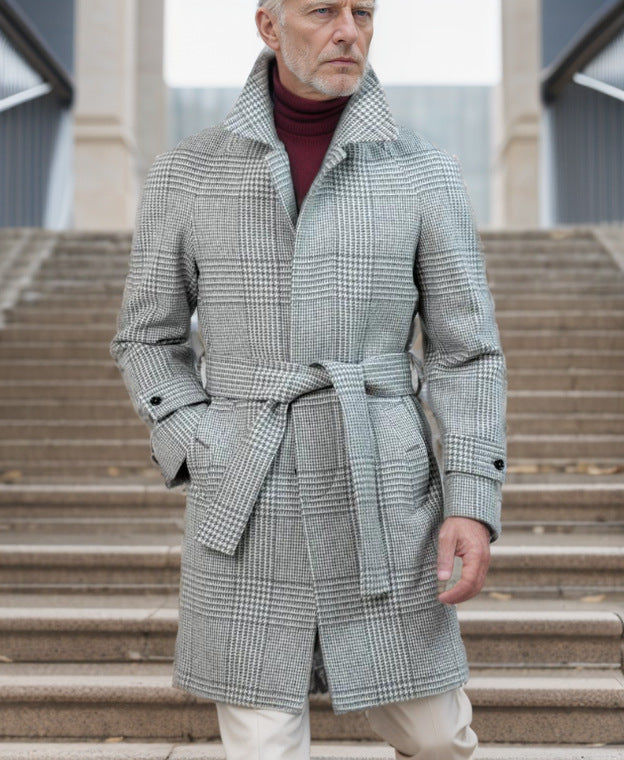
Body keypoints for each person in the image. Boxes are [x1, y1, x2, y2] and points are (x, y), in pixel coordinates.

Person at [110, 0, 507, 757]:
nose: (347, 30)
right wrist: (198, 441)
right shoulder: (187, 173)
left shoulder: (423, 171)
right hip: (247, 486)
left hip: (383, 487)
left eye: (363, 12)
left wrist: (472, 497)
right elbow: (146, 337)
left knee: (438, 737)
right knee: (263, 745)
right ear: (270, 26)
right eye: (323, 10)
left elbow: (467, 351)